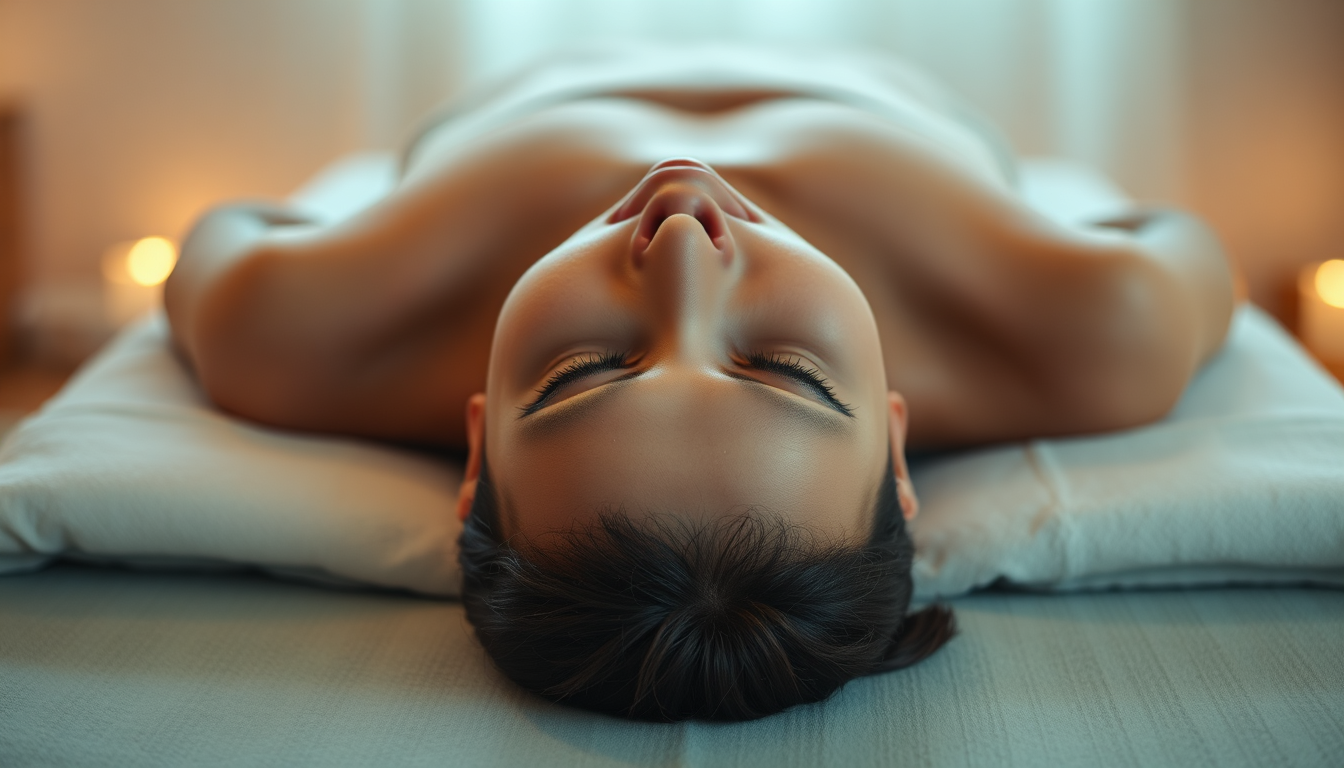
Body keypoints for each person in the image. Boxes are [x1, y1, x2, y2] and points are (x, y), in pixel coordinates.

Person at [164, 45, 1237, 721]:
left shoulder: (290, 338)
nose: (682, 239)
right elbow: (1175, 237)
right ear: (897, 450)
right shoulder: (1100, 335)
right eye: (784, 367)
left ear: (477, 449)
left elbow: (225, 235)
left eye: (587, 368)